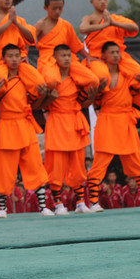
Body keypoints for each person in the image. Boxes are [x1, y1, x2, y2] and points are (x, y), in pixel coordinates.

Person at [85, 42, 140, 210]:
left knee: (137, 161)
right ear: (104, 55)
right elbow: (93, 101)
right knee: (100, 163)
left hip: (126, 120)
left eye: (117, 52)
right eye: (111, 52)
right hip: (107, 119)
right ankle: (93, 202)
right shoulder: (99, 75)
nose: (115, 55)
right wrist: (97, 90)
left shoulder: (127, 75)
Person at [0, 44, 53, 217]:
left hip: (25, 123)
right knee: (4, 168)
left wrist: (43, 95)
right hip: (6, 124)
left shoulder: (26, 78)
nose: (14, 59)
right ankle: (2, 208)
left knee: (35, 165)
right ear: (4, 59)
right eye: (11, 56)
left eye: (17, 55)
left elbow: (35, 106)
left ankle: (43, 207)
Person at [41, 44, 100, 215]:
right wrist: (48, 96)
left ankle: (81, 202)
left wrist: (92, 94)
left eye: (68, 55)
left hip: (74, 122)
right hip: (57, 121)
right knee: (56, 166)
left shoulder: (76, 79)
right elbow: (40, 104)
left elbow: (83, 103)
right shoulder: (50, 80)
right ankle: (58, 204)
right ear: (55, 59)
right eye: (63, 55)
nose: (66, 58)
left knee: (78, 165)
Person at [79, 0, 140, 82]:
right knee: (102, 76)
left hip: (118, 56)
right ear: (92, 1)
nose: (102, 1)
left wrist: (113, 23)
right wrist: (104, 25)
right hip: (98, 57)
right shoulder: (89, 19)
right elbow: (82, 29)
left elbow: (135, 28)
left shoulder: (115, 19)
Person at [34, 0, 98, 90]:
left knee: (93, 80)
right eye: (54, 8)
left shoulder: (66, 25)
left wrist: (88, 57)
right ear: (45, 8)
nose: (57, 11)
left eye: (60, 8)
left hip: (66, 57)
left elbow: (75, 44)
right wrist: (24, 56)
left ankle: (81, 101)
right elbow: (28, 39)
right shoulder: (40, 25)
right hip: (48, 59)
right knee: (51, 82)